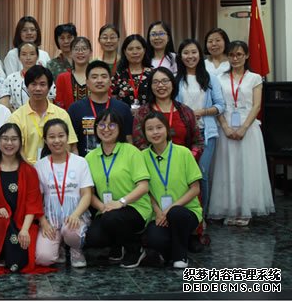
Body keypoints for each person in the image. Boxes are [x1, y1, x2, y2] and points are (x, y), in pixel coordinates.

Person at [208, 41, 275, 226]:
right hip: (226, 129)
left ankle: (245, 210)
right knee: (227, 169)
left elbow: (257, 105)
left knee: (246, 169)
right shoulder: (219, 78)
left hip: (248, 128)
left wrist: (244, 127)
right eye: (231, 55)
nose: (235, 58)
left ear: (246, 56)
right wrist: (225, 127)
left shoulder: (254, 78)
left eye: (239, 54)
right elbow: (217, 104)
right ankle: (230, 209)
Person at [0, 123, 53, 274]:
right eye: (5, 139)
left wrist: (25, 230)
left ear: (20, 142)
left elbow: (33, 203)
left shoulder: (29, 170)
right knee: (0, 223)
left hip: (23, 221)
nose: (9, 143)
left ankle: (9, 258)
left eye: (14, 139)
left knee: (24, 255)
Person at [84, 109, 151, 269]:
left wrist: (120, 202)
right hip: (107, 210)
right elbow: (88, 193)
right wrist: (103, 207)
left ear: (120, 128)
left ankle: (135, 249)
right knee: (93, 237)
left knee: (112, 219)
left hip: (135, 207)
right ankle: (118, 245)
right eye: (102, 125)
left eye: (112, 125)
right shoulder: (90, 157)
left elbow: (143, 186)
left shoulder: (131, 151)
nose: (106, 129)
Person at [141, 112, 202, 269]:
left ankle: (180, 256)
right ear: (144, 133)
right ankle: (170, 250)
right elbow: (145, 190)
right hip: (158, 215)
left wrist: (170, 209)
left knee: (176, 214)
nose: (155, 132)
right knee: (155, 239)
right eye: (150, 129)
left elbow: (195, 189)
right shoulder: (141, 157)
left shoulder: (184, 153)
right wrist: (158, 211)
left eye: (159, 127)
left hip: (185, 211)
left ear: (167, 129)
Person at [175, 39, 225, 216]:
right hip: (183, 134)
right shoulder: (176, 79)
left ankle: (201, 216)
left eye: (194, 52)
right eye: (186, 53)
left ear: (200, 54)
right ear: (180, 56)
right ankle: (185, 212)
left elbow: (221, 106)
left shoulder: (210, 78)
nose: (190, 56)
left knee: (201, 173)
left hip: (205, 133)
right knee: (183, 175)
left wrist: (201, 112)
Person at [34, 119, 93, 268]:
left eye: (61, 136)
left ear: (67, 137)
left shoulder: (80, 162)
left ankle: (76, 249)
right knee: (43, 259)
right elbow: (36, 199)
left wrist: (76, 215)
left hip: (75, 217)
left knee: (70, 230)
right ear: (45, 140)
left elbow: (87, 194)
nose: (57, 141)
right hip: (51, 220)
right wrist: (43, 222)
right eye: (52, 137)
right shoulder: (39, 166)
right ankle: (58, 246)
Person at [8, 66, 77, 164]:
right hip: (27, 168)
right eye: (33, 84)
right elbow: (16, 150)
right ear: (27, 87)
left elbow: (71, 145)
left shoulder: (61, 114)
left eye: (42, 84)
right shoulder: (16, 117)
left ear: (49, 87)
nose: (38, 88)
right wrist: (31, 169)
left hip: (57, 169)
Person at [132, 67, 204, 161]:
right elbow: (139, 143)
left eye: (165, 81)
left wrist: (189, 157)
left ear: (173, 84)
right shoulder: (142, 113)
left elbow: (198, 142)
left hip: (183, 162)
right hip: (153, 163)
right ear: (150, 86)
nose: (160, 85)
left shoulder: (186, 111)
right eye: (155, 82)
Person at [68, 60, 133, 158]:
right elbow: (72, 145)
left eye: (104, 76)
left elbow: (128, 140)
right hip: (86, 162)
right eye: (94, 77)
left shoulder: (123, 108)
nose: (99, 80)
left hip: (117, 162)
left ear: (110, 81)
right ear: (87, 82)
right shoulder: (75, 109)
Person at [0, 42, 56, 112]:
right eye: (24, 54)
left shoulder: (45, 77)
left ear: (37, 56)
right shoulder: (10, 79)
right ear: (19, 57)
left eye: (32, 54)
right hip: (16, 116)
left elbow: (50, 102)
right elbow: (5, 104)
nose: (28, 58)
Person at [111, 34, 154, 111]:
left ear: (144, 50)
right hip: (123, 116)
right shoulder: (118, 75)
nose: (135, 52)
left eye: (138, 48)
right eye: (130, 49)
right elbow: (112, 99)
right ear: (125, 52)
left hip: (150, 117)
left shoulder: (153, 74)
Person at [54, 36, 92, 110]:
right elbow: (59, 105)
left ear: (90, 52)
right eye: (76, 49)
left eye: (84, 49)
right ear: (71, 53)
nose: (80, 52)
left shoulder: (97, 76)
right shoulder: (62, 78)